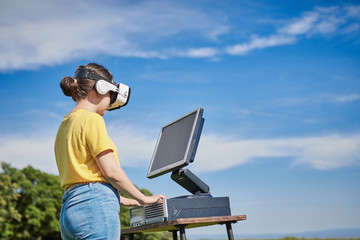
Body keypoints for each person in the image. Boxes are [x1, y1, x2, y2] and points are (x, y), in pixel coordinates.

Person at [54, 63, 166, 240]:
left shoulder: (65, 124)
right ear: (101, 88)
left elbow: (83, 174)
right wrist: (143, 198)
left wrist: (123, 199)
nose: (112, 102)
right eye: (112, 95)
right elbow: (111, 172)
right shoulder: (92, 119)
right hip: (94, 206)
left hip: (69, 209)